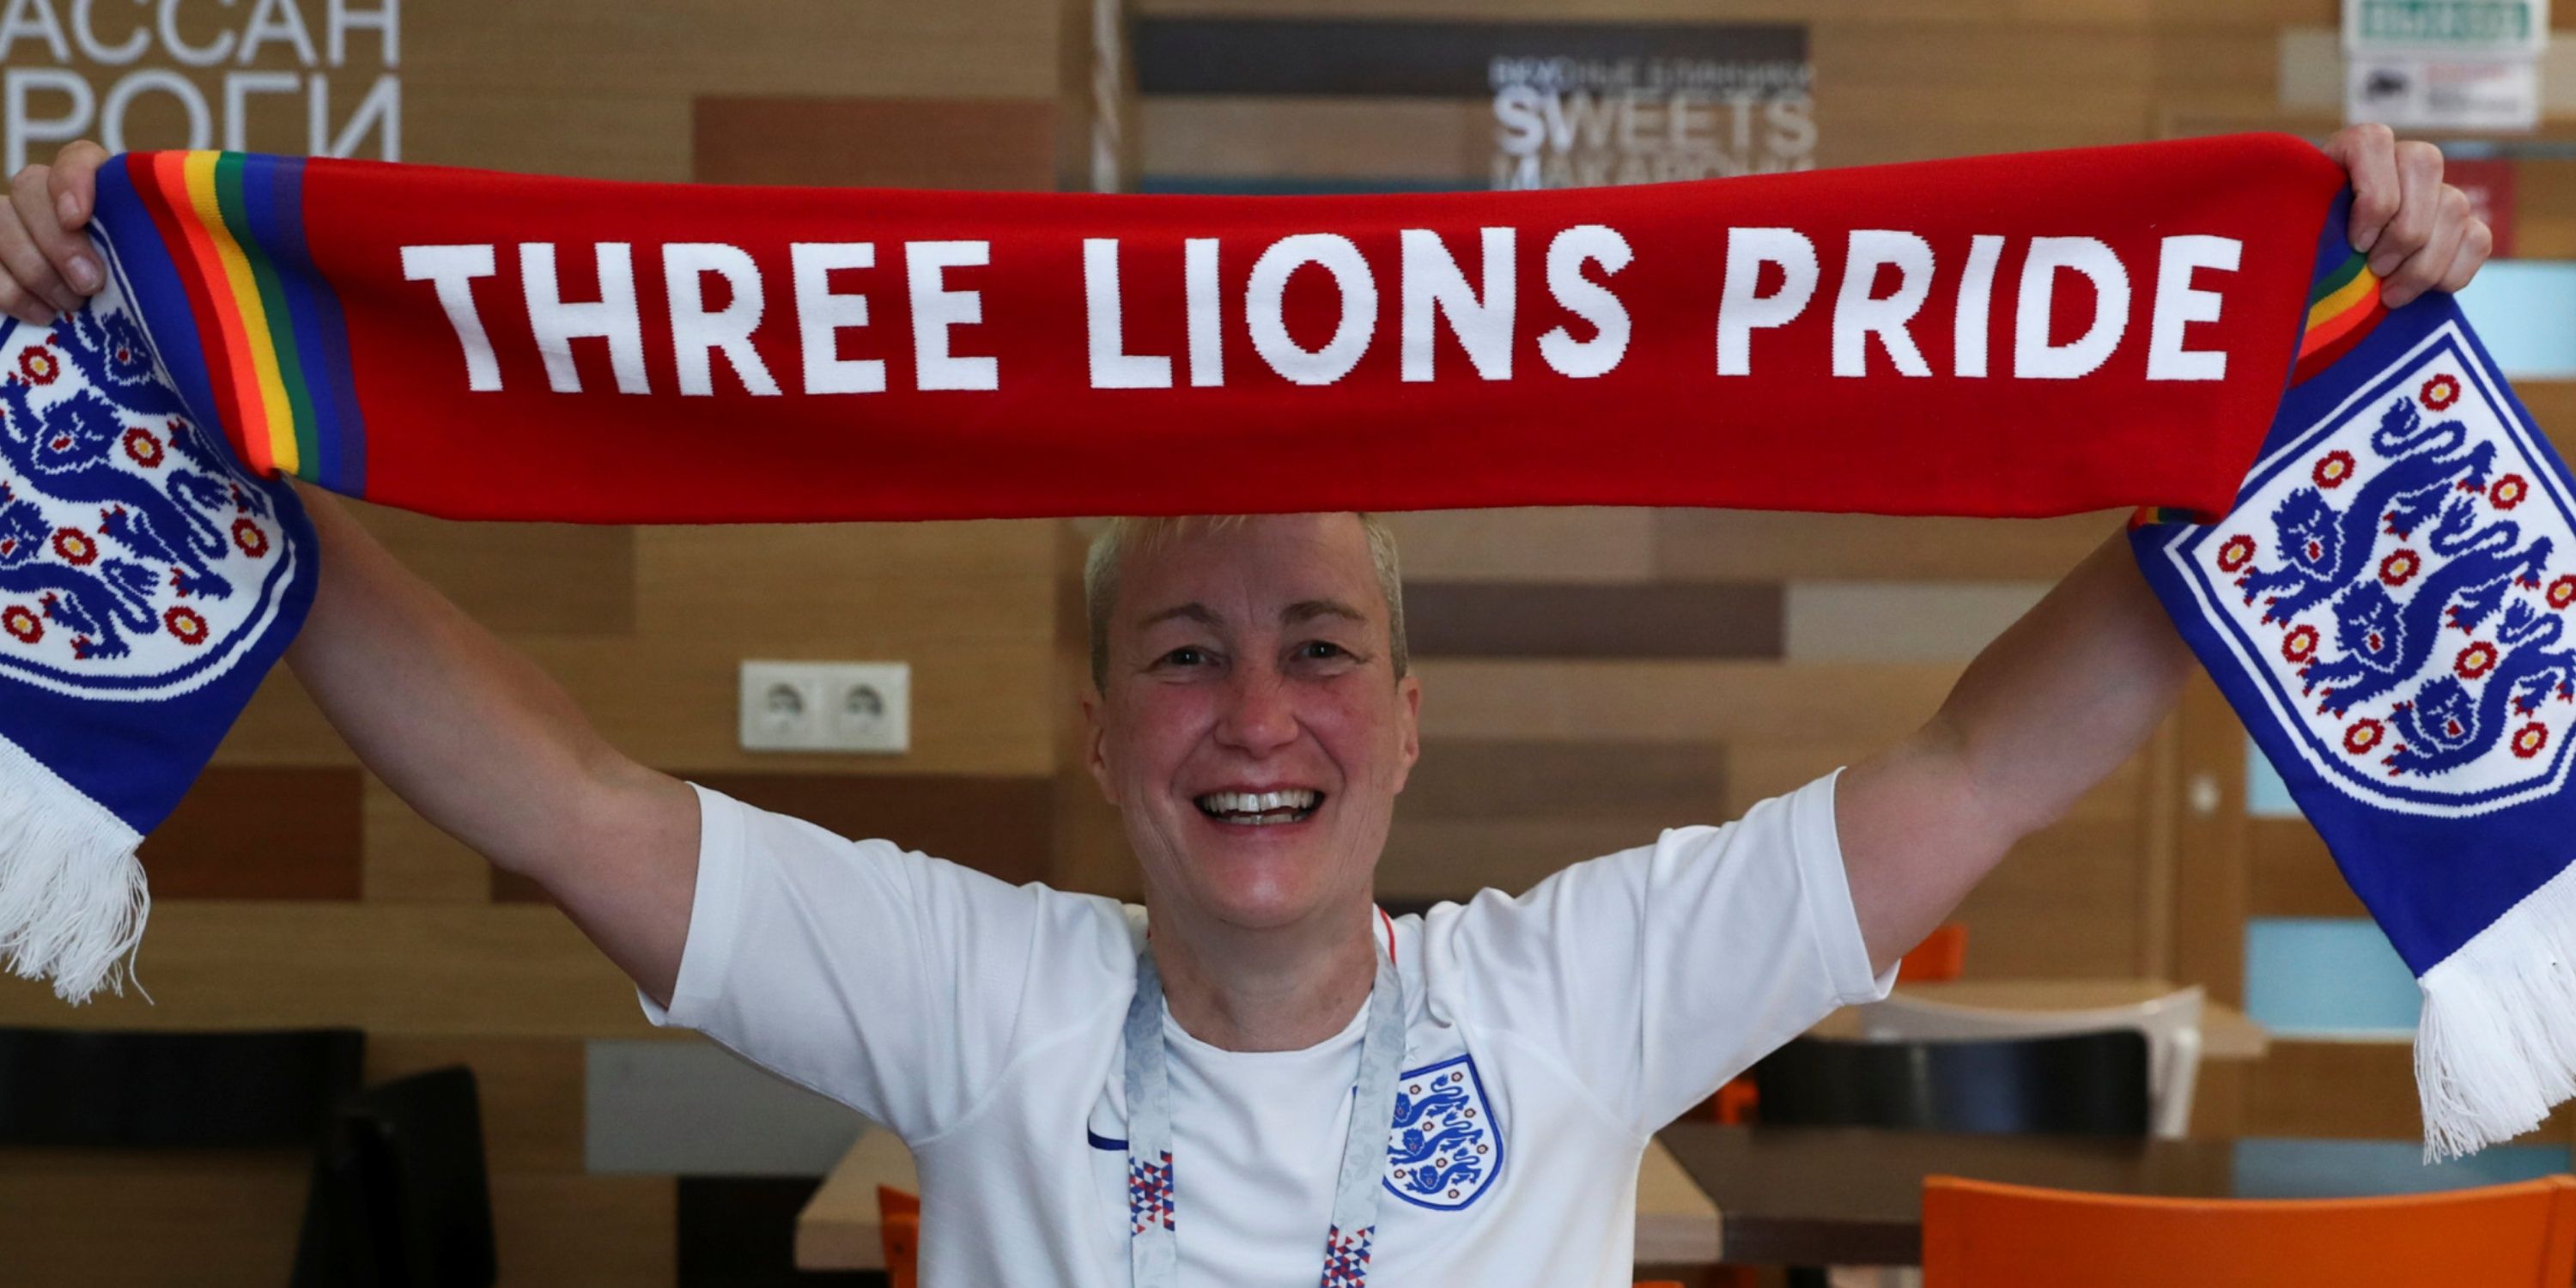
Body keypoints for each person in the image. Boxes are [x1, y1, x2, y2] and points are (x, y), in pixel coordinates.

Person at [0, 129, 2492, 1286]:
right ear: (1099, 735)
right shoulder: (979, 997)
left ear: (1408, 717)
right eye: (1182, 651)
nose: (1254, 706)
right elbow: (553, 791)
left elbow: (1968, 761)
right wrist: (216, 418)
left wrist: (2276, 380)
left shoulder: (1575, 993)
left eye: (1314, 643)